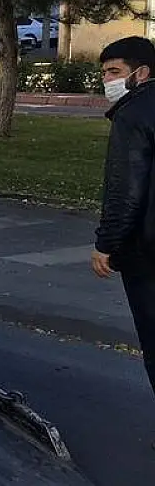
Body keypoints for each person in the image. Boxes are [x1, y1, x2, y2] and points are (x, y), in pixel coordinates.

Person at [92, 36, 155, 398]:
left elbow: (125, 188)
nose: (107, 80)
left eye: (114, 72)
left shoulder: (132, 114)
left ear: (140, 73)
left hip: (147, 252)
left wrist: (107, 243)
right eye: (104, 73)